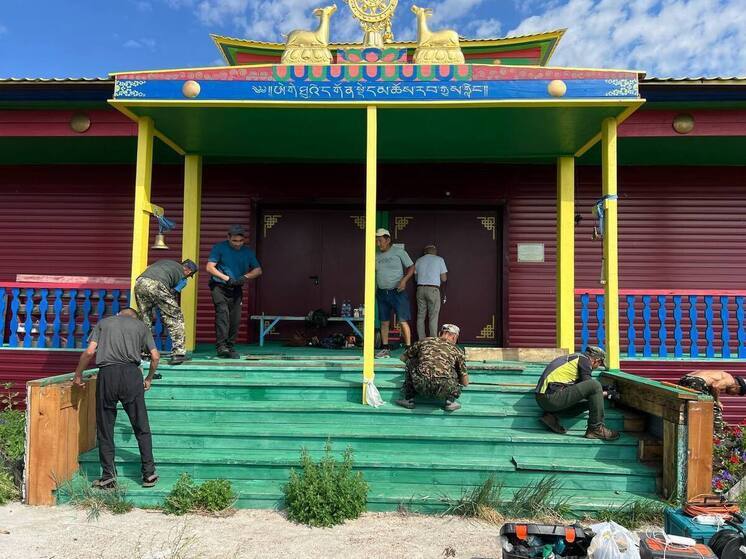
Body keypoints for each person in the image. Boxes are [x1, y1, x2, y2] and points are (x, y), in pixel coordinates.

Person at [72, 308, 159, 489]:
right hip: (132, 375)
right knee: (141, 426)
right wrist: (149, 378)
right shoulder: (141, 326)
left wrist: (78, 374)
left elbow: (89, 352)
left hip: (107, 374)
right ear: (135, 317)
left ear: (119, 314)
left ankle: (108, 477)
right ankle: (149, 474)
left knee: (105, 427)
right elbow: (155, 356)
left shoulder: (104, 323)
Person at [534, 346, 620, 440]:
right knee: (595, 385)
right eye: (600, 364)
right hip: (552, 398)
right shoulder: (584, 361)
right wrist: (608, 393)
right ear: (596, 361)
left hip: (544, 400)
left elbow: (582, 388)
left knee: (592, 402)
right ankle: (596, 429)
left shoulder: (575, 358)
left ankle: (552, 416)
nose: (597, 367)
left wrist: (604, 389)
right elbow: (591, 387)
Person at [206, 224, 262, 358]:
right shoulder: (219, 248)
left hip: (236, 287)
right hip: (219, 286)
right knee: (222, 313)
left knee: (235, 318)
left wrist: (245, 277)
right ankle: (221, 347)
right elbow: (209, 267)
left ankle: (230, 347)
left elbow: (258, 270)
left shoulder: (247, 252)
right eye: (234, 241)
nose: (238, 244)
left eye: (241, 241)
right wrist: (226, 278)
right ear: (228, 237)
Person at [134, 259, 198, 366]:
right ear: (188, 271)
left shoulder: (165, 262)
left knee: (145, 319)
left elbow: (149, 269)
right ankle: (178, 354)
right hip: (157, 284)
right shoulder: (183, 279)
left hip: (140, 282)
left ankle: (144, 353)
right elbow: (172, 293)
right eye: (189, 275)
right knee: (175, 317)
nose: (187, 277)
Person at [395, 324, 469, 412]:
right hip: (443, 389)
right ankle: (450, 401)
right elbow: (465, 382)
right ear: (454, 337)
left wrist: (423, 362)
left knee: (411, 361)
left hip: (420, 385)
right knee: (457, 370)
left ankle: (408, 399)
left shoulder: (425, 341)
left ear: (439, 333)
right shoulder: (457, 351)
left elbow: (403, 358)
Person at [375, 228, 414, 357]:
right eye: (376, 241)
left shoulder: (398, 252)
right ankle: (385, 349)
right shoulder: (375, 255)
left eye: (380, 241)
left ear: (388, 240)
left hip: (397, 292)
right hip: (382, 292)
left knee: (402, 321)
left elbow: (411, 266)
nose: (378, 244)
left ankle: (408, 349)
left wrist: (404, 280)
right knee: (384, 321)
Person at [678, 370, 746, 434]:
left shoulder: (720, 375)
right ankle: (717, 436)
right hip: (696, 382)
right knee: (716, 409)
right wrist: (717, 402)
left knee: (690, 407)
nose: (733, 395)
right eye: (737, 393)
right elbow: (716, 386)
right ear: (738, 387)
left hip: (684, 379)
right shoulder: (731, 380)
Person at [414, 244, 448, 340]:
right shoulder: (439, 260)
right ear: (435, 251)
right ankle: (433, 341)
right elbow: (444, 278)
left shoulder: (419, 260)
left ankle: (421, 340)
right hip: (433, 289)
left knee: (420, 316)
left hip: (420, 289)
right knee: (433, 316)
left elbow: (416, 278)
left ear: (425, 252)